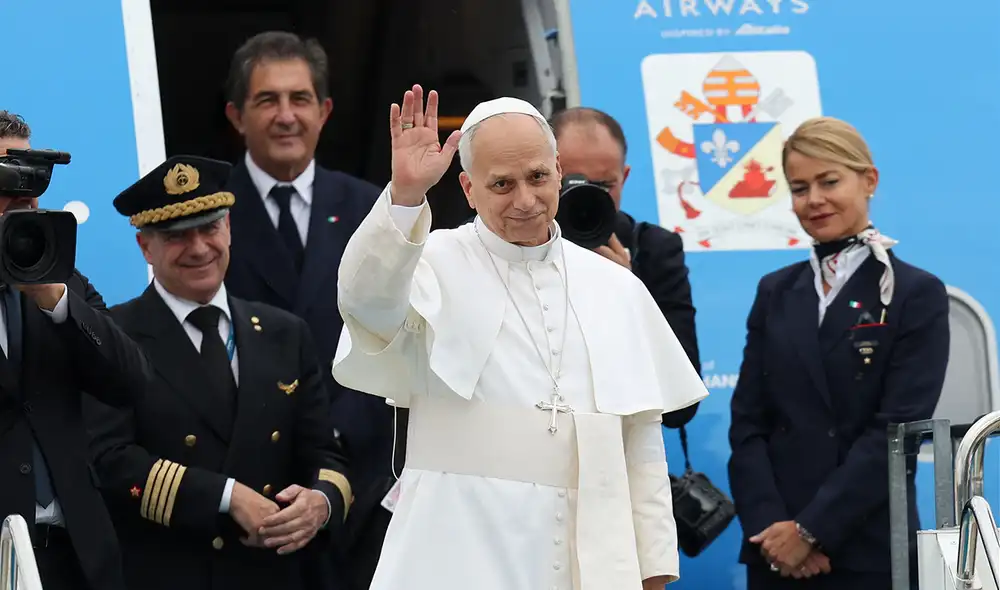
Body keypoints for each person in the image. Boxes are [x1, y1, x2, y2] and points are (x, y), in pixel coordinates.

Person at [332, 84, 709, 590]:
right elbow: (364, 303)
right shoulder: (430, 262)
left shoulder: (617, 287)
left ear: (558, 171)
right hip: (456, 546)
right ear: (469, 190)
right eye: (502, 185)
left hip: (587, 554)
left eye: (537, 177)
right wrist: (404, 198)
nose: (526, 201)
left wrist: (653, 571)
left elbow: (640, 442)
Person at [83, 155, 352, 590]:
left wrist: (319, 502)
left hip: (272, 574)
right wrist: (226, 497)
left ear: (228, 228)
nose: (199, 248)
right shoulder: (111, 335)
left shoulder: (285, 332)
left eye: (209, 228)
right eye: (175, 236)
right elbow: (109, 462)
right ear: (145, 247)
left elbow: (325, 453)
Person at [727, 116, 949, 589]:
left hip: (866, 548)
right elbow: (748, 425)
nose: (814, 200)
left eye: (829, 181)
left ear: (868, 180)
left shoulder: (914, 293)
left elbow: (895, 433)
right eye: (799, 187)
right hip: (774, 552)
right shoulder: (775, 291)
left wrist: (811, 531)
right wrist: (772, 531)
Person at [219, 31, 388, 588]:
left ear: (325, 110)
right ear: (237, 115)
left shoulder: (373, 208)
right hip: (252, 497)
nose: (286, 116)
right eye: (267, 100)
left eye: (300, 99)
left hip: (363, 493)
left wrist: (341, 441)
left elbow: (397, 337)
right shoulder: (207, 217)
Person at [0, 112, 150, 590]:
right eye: (9, 177)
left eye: (33, 178)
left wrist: (55, 301)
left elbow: (131, 383)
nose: (24, 196)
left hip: (75, 560)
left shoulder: (60, 276)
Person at [550, 106, 701, 428]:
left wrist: (626, 295)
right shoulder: (502, 247)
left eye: (604, 185)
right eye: (572, 184)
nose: (588, 197)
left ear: (625, 176)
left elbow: (679, 409)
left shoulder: (654, 250)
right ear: (544, 173)